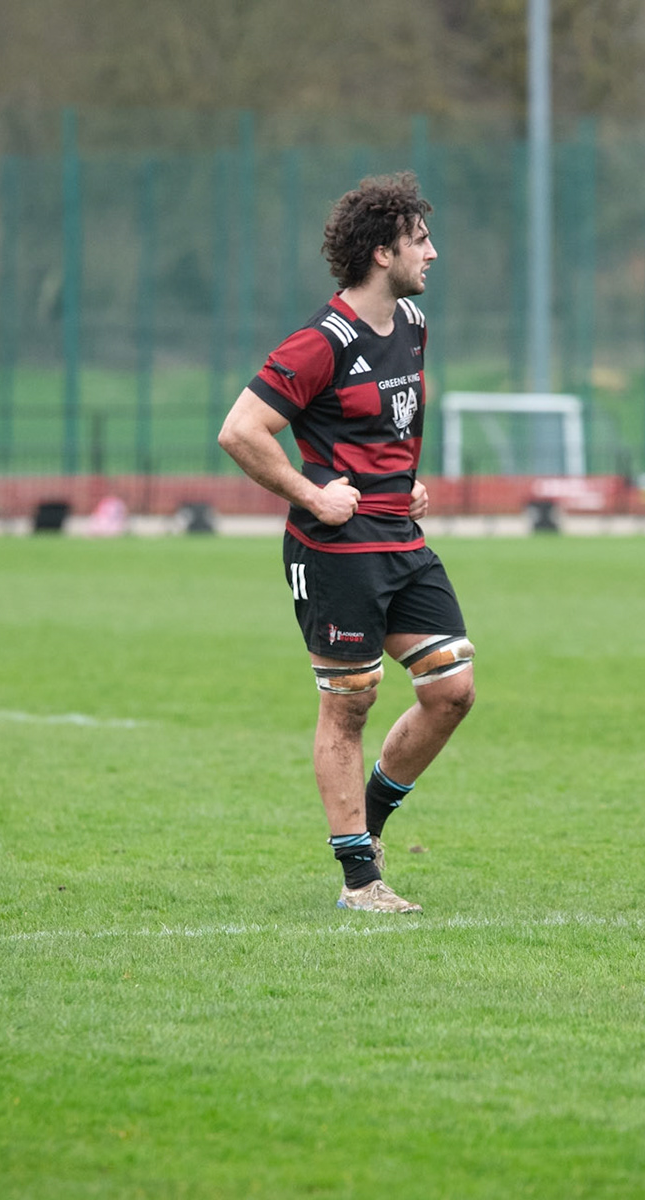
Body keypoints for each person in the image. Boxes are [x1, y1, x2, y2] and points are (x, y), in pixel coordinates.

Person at [218, 172, 473, 913]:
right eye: (421, 241)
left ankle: (373, 821)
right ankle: (360, 882)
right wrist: (311, 493)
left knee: (451, 690)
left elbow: (389, 430)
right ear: (381, 252)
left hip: (399, 538)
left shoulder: (415, 329)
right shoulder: (319, 343)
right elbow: (241, 430)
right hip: (336, 552)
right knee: (349, 706)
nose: (434, 252)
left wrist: (406, 484)